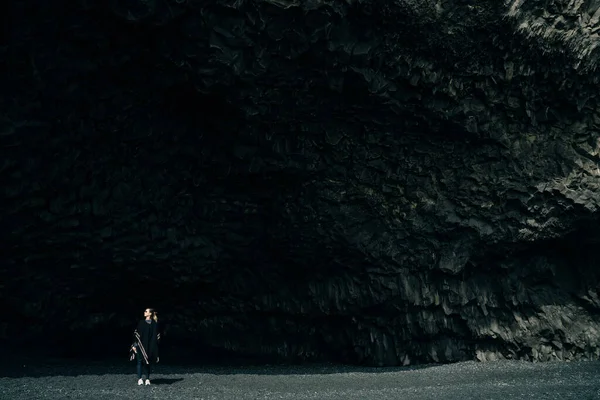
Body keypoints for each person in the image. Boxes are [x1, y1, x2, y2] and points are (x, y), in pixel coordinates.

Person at [130, 308, 160, 385]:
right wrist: (134, 345)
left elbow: (156, 337)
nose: (144, 312)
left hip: (150, 347)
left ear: (150, 314)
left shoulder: (154, 324)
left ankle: (147, 379)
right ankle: (140, 379)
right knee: (139, 362)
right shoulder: (141, 322)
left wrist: (154, 348)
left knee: (147, 362)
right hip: (140, 345)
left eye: (146, 311)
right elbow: (136, 335)